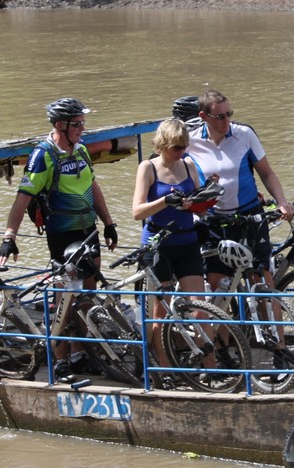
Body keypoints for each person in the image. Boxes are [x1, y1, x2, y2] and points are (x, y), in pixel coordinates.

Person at [0, 97, 119, 380]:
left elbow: (92, 185)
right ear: (60, 126)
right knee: (65, 296)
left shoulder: (82, 150)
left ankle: (81, 352)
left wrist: (109, 223)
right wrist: (9, 236)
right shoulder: (44, 155)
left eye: (84, 123)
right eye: (77, 124)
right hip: (62, 233)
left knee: (86, 295)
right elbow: (22, 198)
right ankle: (60, 358)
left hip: (88, 229)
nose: (82, 129)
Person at [186, 90, 294, 353]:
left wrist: (281, 201)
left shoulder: (244, 134)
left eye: (229, 114)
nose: (226, 120)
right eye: (219, 116)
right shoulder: (190, 142)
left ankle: (279, 347)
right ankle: (224, 349)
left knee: (263, 282)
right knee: (218, 286)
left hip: (250, 217)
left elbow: (267, 173)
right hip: (214, 222)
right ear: (203, 117)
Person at [131, 118, 210, 370]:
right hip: (158, 246)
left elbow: (198, 200)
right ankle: (164, 369)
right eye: (177, 147)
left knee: (200, 307)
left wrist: (205, 198)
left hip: (187, 241)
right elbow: (137, 212)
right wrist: (166, 201)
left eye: (184, 147)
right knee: (161, 310)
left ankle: (212, 367)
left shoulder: (187, 164)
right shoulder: (148, 167)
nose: (182, 152)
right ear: (163, 144)